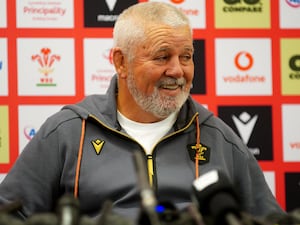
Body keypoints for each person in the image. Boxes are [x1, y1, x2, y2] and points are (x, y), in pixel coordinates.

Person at [0, 1, 284, 223]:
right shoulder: (69, 131)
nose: (177, 70)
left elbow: (269, 219)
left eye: (186, 56)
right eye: (162, 56)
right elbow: (9, 213)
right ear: (121, 62)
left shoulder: (217, 136)